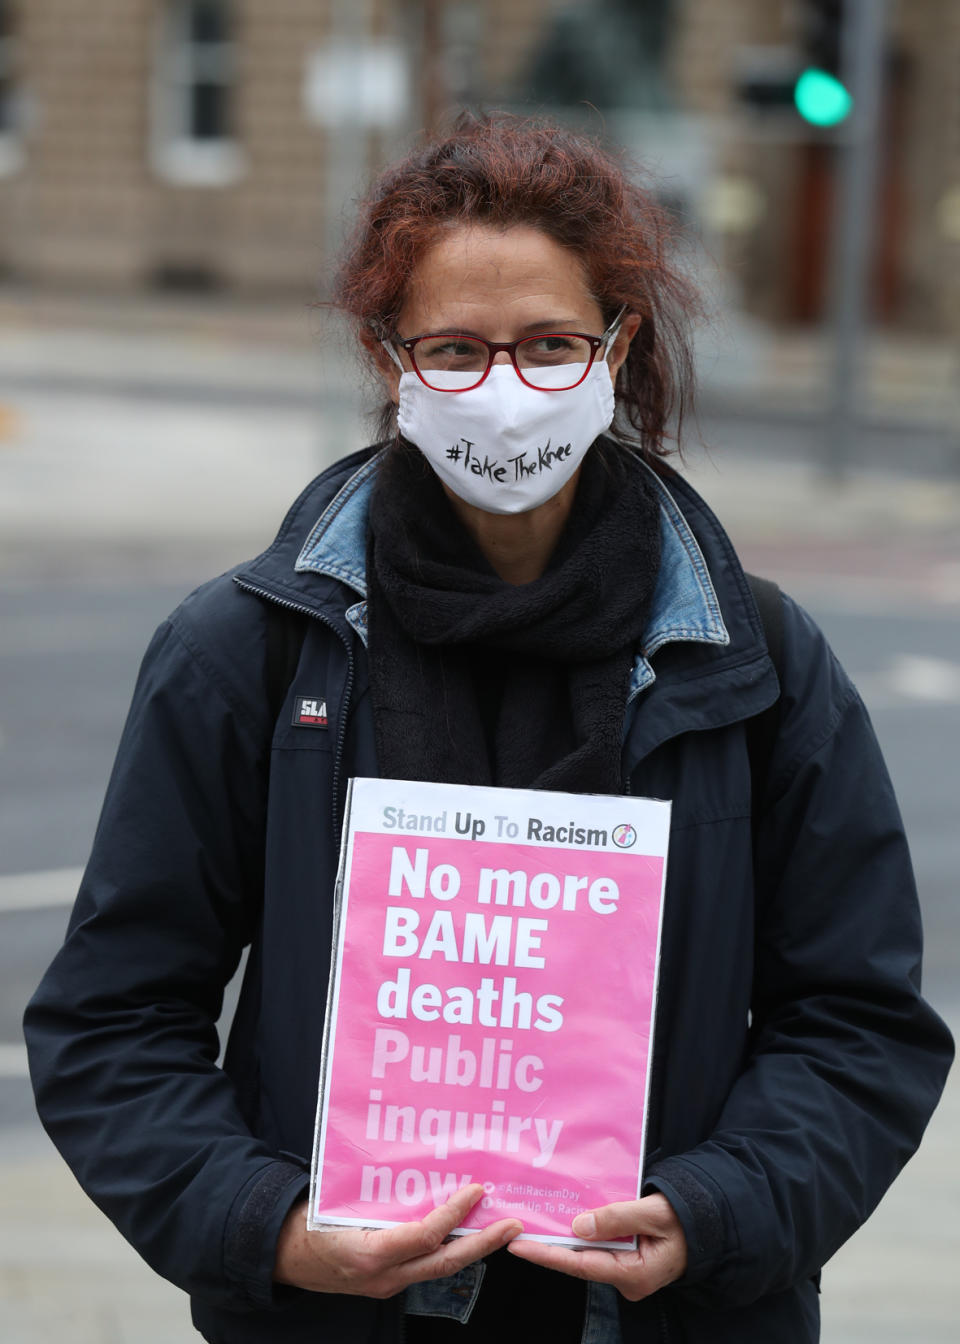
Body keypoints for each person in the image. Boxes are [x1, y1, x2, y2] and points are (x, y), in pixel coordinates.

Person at [24, 112, 952, 1344]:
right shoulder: (244, 655)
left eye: (551, 344)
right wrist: (274, 1231)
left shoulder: (757, 660)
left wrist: (718, 1213)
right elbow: (112, 1023)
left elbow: (858, 1022)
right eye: (455, 349)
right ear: (388, 357)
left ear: (618, 350)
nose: (504, 392)